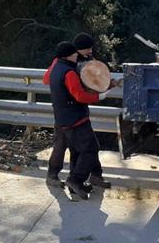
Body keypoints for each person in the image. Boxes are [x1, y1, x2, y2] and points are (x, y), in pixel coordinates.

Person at [44, 33, 111, 189]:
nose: (90, 51)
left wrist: (108, 84)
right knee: (67, 145)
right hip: (68, 112)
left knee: (85, 146)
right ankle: (55, 175)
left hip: (75, 110)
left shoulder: (87, 61)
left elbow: (96, 81)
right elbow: (47, 79)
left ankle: (93, 175)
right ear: (76, 50)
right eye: (87, 49)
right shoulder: (63, 62)